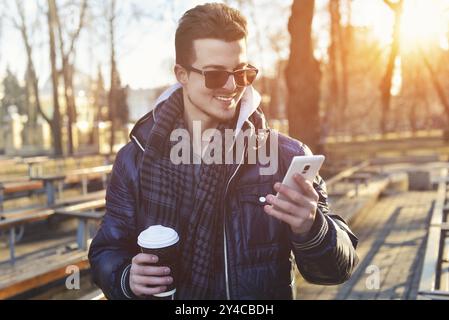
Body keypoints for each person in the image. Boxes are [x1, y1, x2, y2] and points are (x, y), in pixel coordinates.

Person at [88, 2, 358, 300]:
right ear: (181, 74)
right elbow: (106, 250)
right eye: (215, 75)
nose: (231, 86)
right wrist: (128, 277)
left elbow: (336, 270)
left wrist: (312, 227)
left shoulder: (285, 156)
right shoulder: (134, 159)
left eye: (242, 73)